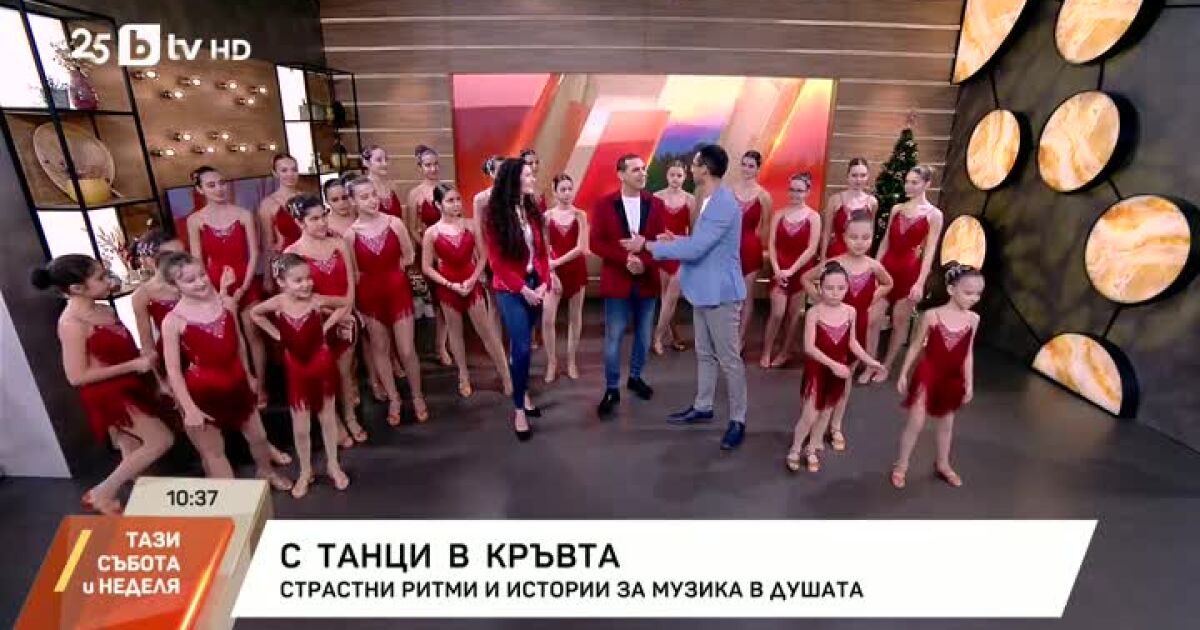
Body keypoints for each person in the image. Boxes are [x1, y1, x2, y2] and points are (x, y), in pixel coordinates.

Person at [623, 144, 749, 450]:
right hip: (703, 289)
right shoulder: (708, 199)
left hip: (721, 293)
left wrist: (647, 245)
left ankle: (738, 420)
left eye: (694, 164)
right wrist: (674, 239)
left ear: (705, 168)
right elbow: (700, 242)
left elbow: (696, 249)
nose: (691, 169)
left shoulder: (722, 203)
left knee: (729, 360)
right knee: (704, 354)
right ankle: (703, 406)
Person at [32, 255, 175, 514]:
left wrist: (151, 374)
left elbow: (124, 351)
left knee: (132, 449)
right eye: (100, 278)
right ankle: (102, 493)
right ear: (77, 288)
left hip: (130, 383)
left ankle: (146, 506)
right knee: (160, 440)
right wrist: (133, 366)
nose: (109, 280)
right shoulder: (71, 324)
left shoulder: (104, 310)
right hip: (108, 394)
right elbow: (76, 377)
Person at [158, 252, 292, 491]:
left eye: (202, 275)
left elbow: (238, 343)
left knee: (259, 437)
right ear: (174, 285)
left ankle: (267, 472)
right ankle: (229, 498)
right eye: (190, 280)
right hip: (203, 392)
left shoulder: (226, 303)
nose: (200, 282)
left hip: (236, 382)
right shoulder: (173, 321)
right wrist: (189, 408)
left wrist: (249, 374)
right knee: (214, 452)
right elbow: (174, 370)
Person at [250, 254, 352, 498]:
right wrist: (276, 334)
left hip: (321, 363)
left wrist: (327, 326)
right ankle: (305, 470)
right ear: (281, 282)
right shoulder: (278, 303)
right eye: (298, 280)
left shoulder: (316, 301)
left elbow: (344, 302)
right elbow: (255, 313)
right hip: (296, 368)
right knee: (301, 427)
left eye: (308, 278)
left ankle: (333, 464)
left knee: (327, 418)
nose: (306, 284)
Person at [798, 210, 893, 452]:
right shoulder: (834, 264)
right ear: (844, 236)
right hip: (830, 327)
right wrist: (820, 299)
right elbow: (806, 278)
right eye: (854, 237)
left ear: (872, 237)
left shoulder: (873, 266)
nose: (859, 242)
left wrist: (871, 298)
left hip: (855, 326)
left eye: (865, 237)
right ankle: (814, 422)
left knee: (845, 376)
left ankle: (836, 424)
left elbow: (888, 283)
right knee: (823, 374)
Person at [343, 175, 428, 425]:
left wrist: (395, 272)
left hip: (397, 290)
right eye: (364, 197)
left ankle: (417, 396)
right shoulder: (350, 235)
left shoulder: (395, 223)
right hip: (370, 296)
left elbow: (409, 255)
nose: (372, 200)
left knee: (406, 350)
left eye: (373, 195)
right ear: (353, 202)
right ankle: (394, 398)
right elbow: (354, 273)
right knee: (380, 348)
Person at [785, 262, 884, 473]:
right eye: (829, 288)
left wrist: (870, 361)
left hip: (838, 370)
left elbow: (852, 342)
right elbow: (809, 347)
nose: (835, 293)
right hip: (818, 370)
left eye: (840, 288)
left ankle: (812, 448)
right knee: (810, 415)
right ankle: (795, 448)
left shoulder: (850, 312)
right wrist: (834, 365)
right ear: (820, 288)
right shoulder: (814, 312)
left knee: (826, 413)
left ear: (847, 288)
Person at [284, 193, 367, 446]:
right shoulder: (292, 254)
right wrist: (334, 317)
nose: (322, 223)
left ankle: (350, 417)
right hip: (315, 325)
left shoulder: (339, 244)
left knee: (344, 374)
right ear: (300, 222)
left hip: (346, 319)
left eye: (323, 216)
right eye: (314, 219)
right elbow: (296, 298)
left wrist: (346, 313)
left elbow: (350, 285)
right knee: (324, 378)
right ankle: (336, 424)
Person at [891, 262, 982, 489]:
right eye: (968, 292)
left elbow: (968, 352)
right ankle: (901, 464)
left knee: (947, 423)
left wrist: (969, 382)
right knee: (916, 421)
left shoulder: (973, 319)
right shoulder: (932, 316)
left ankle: (943, 463)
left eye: (978, 294)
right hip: (928, 372)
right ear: (951, 289)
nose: (973, 298)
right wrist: (903, 373)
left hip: (952, 376)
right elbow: (915, 346)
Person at [185, 166, 270, 409]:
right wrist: (211, 291)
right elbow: (197, 259)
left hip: (245, 278)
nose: (219, 188)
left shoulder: (243, 214)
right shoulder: (195, 220)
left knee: (253, 335)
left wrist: (244, 286)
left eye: (221, 183)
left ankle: (261, 387)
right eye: (211, 185)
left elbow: (254, 253)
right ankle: (242, 385)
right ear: (200, 189)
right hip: (214, 283)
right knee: (230, 338)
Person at [483, 158, 554, 441]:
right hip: (511, 289)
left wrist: (545, 283)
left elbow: (542, 253)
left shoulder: (532, 210)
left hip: (536, 285)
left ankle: (523, 390)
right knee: (522, 348)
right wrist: (523, 289)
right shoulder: (494, 215)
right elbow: (496, 262)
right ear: (513, 179)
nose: (533, 178)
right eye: (527, 175)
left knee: (524, 347)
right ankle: (519, 409)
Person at [590, 153, 666, 417]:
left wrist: (643, 262)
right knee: (614, 337)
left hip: (647, 280)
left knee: (644, 336)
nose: (642, 173)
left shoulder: (656, 204)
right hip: (617, 281)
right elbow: (596, 243)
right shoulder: (604, 205)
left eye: (643, 169)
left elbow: (660, 243)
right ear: (621, 174)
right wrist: (625, 259)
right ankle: (612, 388)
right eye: (636, 170)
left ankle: (635, 377)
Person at [420, 183, 513, 397]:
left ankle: (506, 375)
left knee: (487, 333)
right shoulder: (431, 233)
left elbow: (483, 256)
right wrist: (449, 285)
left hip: (471, 283)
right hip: (448, 287)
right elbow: (426, 267)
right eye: (450, 201)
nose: (456, 204)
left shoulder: (471, 225)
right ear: (438, 205)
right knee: (455, 334)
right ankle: (463, 375)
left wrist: (472, 280)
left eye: (457, 200)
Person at [869, 165, 945, 383]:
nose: (908, 186)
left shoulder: (934, 215)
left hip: (909, 273)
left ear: (927, 184)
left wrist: (920, 283)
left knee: (899, 323)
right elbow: (885, 241)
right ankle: (870, 363)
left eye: (914, 182)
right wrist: (875, 269)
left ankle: (886, 367)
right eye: (907, 181)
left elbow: (929, 252)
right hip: (887, 269)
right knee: (872, 319)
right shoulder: (897, 209)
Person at [760, 173, 821, 368]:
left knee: (793, 316)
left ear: (808, 192)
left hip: (801, 271)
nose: (795, 194)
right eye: (792, 189)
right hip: (779, 269)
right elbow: (771, 244)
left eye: (799, 190)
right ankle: (767, 350)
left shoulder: (814, 217)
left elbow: (811, 249)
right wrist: (777, 269)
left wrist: (792, 270)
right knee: (777, 313)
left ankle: (785, 352)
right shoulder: (779, 214)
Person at [407, 144, 452, 366]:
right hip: (426, 252)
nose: (433, 169)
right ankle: (425, 346)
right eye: (428, 165)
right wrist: (429, 250)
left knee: (446, 302)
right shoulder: (414, 194)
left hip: (448, 252)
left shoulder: (447, 190)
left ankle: (441, 345)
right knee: (432, 302)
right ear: (420, 167)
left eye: (435, 164)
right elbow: (412, 228)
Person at [541, 173, 589, 382]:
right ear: (554, 192)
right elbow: (543, 249)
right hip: (553, 272)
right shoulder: (547, 216)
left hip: (576, 269)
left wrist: (556, 263)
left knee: (575, 318)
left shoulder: (580, 215)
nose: (568, 193)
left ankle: (571, 361)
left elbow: (581, 248)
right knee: (547, 319)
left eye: (570, 188)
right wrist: (551, 271)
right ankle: (552, 362)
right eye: (563, 189)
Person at [651, 160, 695, 354]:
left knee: (672, 296)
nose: (675, 179)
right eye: (672, 175)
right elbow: (651, 228)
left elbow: (693, 231)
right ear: (666, 176)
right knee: (665, 297)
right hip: (662, 251)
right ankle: (674, 335)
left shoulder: (690, 200)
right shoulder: (656, 197)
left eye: (679, 175)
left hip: (681, 251)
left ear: (685, 177)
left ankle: (657, 337)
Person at [730, 150, 772, 348]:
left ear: (757, 169)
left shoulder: (764, 196)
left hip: (750, 248)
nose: (746, 169)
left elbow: (765, 227)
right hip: (730, 248)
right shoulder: (730, 191)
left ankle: (740, 339)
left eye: (751, 166)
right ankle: (728, 336)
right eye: (744, 164)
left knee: (746, 295)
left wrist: (760, 247)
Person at [130, 230, 186, 368]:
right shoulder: (143, 295)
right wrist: (160, 378)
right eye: (171, 256)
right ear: (150, 261)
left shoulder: (196, 280)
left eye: (183, 253)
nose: (181, 260)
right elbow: (147, 345)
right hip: (174, 355)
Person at [256, 154, 304, 287]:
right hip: (286, 260)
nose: (290, 174)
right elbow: (268, 243)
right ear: (275, 173)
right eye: (284, 170)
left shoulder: (306, 197)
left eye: (294, 169)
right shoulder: (267, 204)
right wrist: (267, 276)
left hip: (309, 255)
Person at [821, 158, 877, 259]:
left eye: (863, 175)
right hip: (837, 254)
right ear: (848, 176)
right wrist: (822, 258)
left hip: (861, 255)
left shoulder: (872, 202)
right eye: (854, 175)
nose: (858, 180)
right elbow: (827, 233)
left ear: (868, 176)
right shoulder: (835, 200)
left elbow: (871, 232)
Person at [361, 145, 406, 219]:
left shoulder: (392, 186)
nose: (385, 164)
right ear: (366, 162)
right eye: (379, 160)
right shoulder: (363, 188)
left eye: (386, 159)